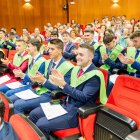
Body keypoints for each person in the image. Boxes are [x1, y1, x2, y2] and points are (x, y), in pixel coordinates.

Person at [29, 43, 107, 138]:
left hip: (76, 111)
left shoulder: (95, 75)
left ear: (91, 57)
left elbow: (84, 97)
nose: (77, 57)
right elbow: (65, 88)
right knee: (33, 114)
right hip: (63, 103)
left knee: (41, 123)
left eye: (81, 55)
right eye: (77, 54)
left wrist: (64, 84)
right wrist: (56, 82)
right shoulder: (76, 70)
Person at [9, 39, 73, 114]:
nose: (49, 51)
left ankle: (18, 125)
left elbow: (63, 90)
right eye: (49, 48)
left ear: (59, 50)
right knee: (11, 98)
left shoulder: (68, 67)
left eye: (52, 49)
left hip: (52, 96)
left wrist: (43, 81)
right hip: (39, 90)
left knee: (18, 105)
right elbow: (41, 81)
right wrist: (37, 80)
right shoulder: (48, 62)